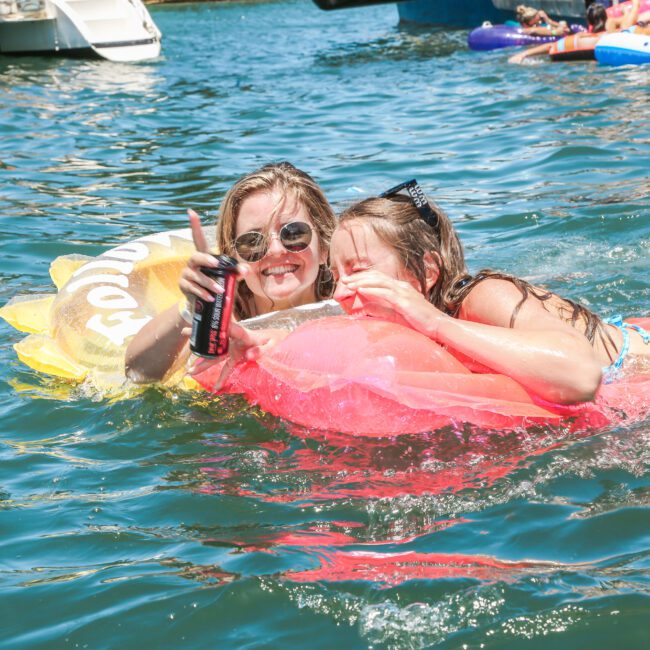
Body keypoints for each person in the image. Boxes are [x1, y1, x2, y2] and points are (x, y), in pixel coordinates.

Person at [328, 180, 649, 405]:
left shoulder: (482, 297)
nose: (340, 291)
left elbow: (582, 376)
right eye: (334, 277)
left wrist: (435, 322)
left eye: (358, 271)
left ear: (426, 272)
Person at [125, 162, 336, 384]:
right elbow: (137, 375)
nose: (275, 251)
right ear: (233, 259)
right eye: (252, 242)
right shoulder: (221, 324)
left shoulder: (352, 306)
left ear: (323, 247)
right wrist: (191, 309)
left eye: (293, 234)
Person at [508, 1, 637, 63]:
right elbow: (629, 22)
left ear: (589, 21)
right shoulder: (616, 32)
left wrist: (523, 54)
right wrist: (630, 10)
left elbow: (551, 47)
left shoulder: (583, 37)